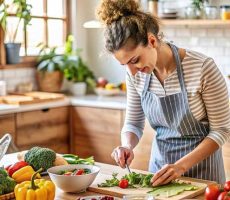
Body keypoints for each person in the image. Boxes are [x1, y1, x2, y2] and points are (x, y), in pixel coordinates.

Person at [96, 0, 230, 185]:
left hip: (204, 177)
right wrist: (127, 145)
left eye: (134, 60)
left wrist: (180, 167)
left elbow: (221, 131)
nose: (131, 71)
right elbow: (133, 123)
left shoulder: (202, 67)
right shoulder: (137, 75)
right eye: (124, 65)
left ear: (152, 41)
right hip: (160, 175)